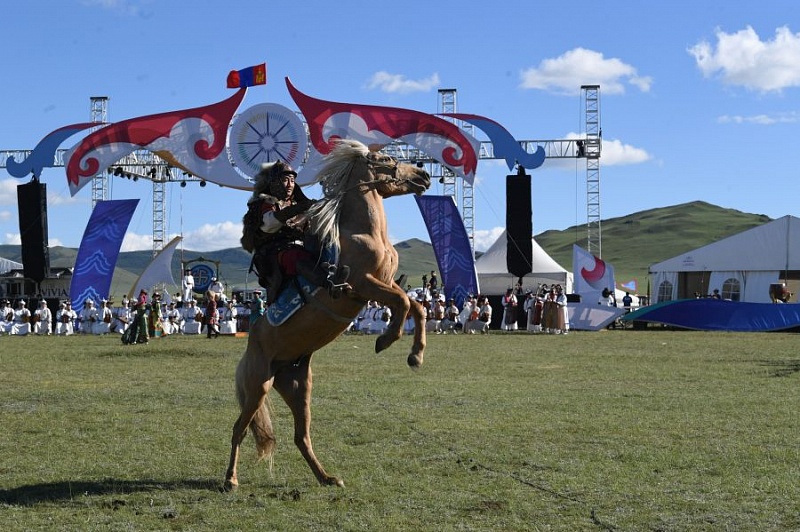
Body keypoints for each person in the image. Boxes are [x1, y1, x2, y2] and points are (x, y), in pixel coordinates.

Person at [240, 160, 349, 305]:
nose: (290, 184)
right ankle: (330, 284)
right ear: (275, 182)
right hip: (273, 253)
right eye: (285, 180)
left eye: (292, 180)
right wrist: (300, 209)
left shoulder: (297, 204)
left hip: (300, 246)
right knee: (296, 257)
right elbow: (268, 225)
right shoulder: (265, 202)